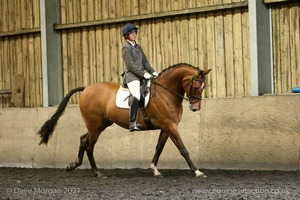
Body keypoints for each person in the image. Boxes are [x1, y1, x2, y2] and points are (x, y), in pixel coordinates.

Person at [121, 23, 158, 131]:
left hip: (142, 76)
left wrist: (153, 71)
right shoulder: (126, 48)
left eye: (135, 32)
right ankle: (132, 122)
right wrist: (143, 74)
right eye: (131, 33)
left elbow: (145, 62)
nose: (134, 34)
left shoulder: (138, 47)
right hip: (132, 76)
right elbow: (130, 66)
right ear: (126, 35)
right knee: (136, 95)